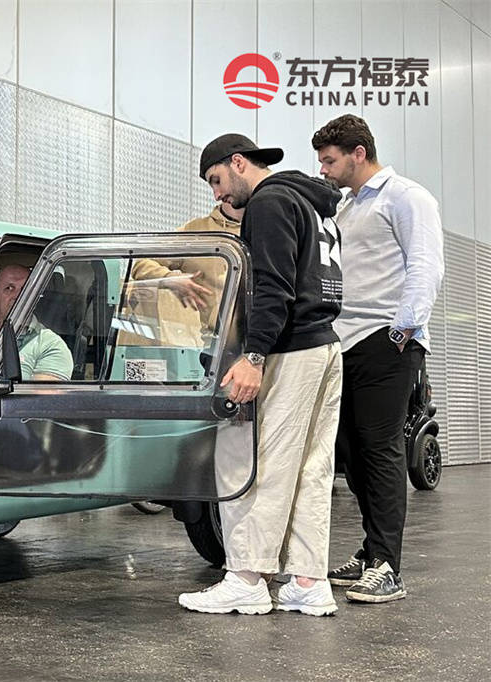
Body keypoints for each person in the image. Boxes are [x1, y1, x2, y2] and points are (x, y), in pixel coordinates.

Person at [178, 134, 343, 617]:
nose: (217, 194)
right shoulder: (314, 204)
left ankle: (247, 578)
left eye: (216, 180)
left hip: (288, 349)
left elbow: (273, 286)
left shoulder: (269, 203)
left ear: (238, 162)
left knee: (254, 462)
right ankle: (308, 581)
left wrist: (253, 355)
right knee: (311, 468)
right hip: (324, 344)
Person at [313, 114, 444, 603]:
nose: (323, 170)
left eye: (330, 161)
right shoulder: (346, 207)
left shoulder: (406, 196)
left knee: (381, 448)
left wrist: (402, 331)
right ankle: (371, 551)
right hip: (344, 340)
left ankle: (388, 566)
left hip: (386, 340)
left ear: (358, 153)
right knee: (350, 452)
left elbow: (426, 265)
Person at [123, 202, 243, 347]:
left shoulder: (262, 229)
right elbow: (142, 263)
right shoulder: (195, 232)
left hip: (258, 340)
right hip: (215, 346)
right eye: (213, 188)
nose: (217, 194)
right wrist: (169, 278)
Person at [0, 265, 73, 384]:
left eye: (24, 289)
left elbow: (39, 395)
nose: (17, 296)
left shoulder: (50, 345)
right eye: (9, 288)